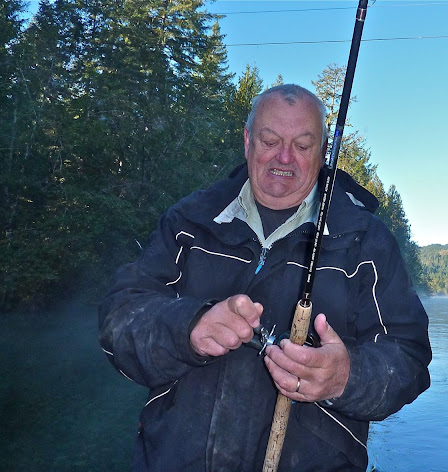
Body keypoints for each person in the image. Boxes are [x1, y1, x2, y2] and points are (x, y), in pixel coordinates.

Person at [98, 84, 431, 472]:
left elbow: (408, 358)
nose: (284, 157)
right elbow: (119, 318)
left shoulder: (367, 242)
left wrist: (346, 377)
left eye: (303, 145)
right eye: (270, 141)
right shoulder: (188, 221)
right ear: (247, 141)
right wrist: (187, 328)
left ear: (323, 151)